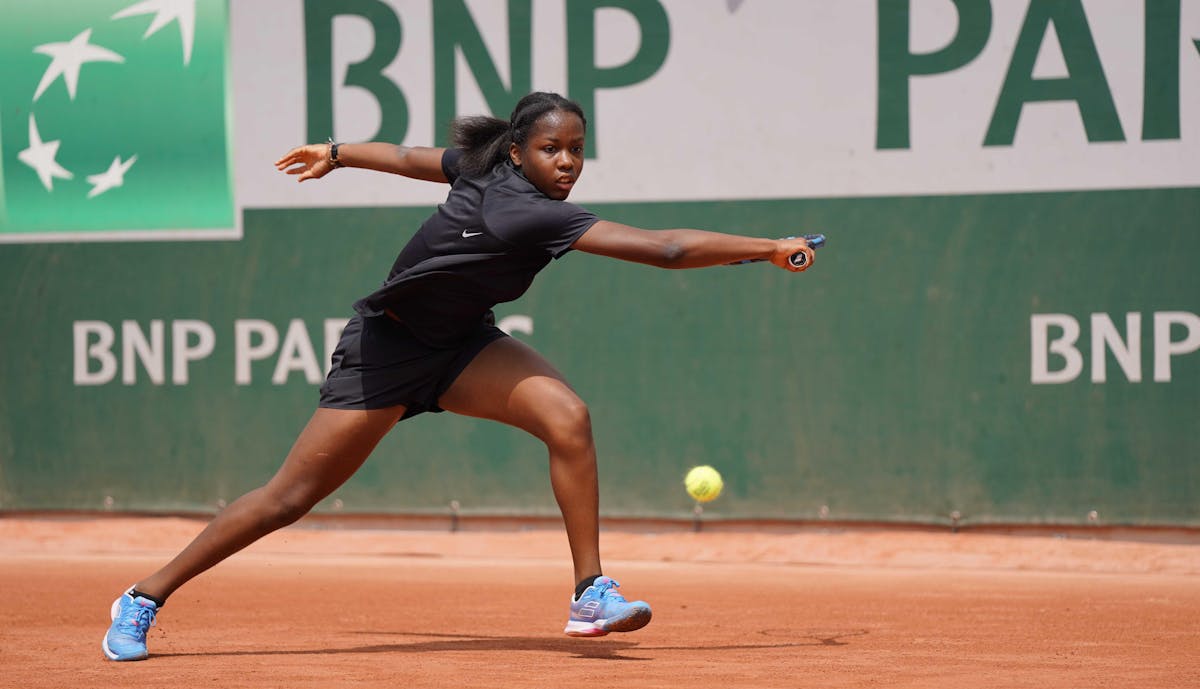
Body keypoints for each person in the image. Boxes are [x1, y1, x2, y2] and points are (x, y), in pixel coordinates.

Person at [101, 91, 816, 661]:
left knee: (567, 416)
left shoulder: (486, 168)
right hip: (388, 349)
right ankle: (144, 595)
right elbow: (664, 249)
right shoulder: (525, 212)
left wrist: (340, 152)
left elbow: (414, 156)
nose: (566, 162)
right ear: (517, 151)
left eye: (576, 150)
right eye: (551, 149)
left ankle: (589, 592)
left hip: (464, 345)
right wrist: (767, 247)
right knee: (286, 499)